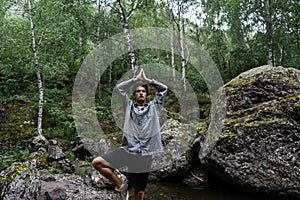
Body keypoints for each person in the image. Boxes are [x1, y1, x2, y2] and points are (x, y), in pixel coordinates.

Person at [92, 68, 168, 200]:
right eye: (138, 91)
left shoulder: (154, 107)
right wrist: (135, 80)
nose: (141, 93)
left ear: (146, 94)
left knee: (139, 192)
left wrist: (148, 81)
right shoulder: (129, 106)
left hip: (145, 154)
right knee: (97, 162)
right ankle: (122, 185)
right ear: (134, 95)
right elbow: (119, 89)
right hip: (128, 150)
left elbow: (163, 89)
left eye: (143, 91)